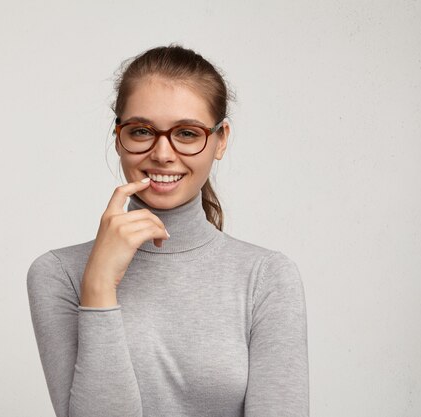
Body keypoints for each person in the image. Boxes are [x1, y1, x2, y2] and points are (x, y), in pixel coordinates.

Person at [27, 44, 309, 417]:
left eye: (187, 134)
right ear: (118, 137)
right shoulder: (57, 274)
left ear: (220, 139)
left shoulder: (266, 277)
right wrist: (97, 285)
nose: (162, 153)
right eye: (142, 130)